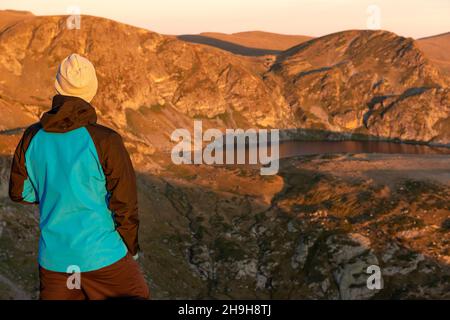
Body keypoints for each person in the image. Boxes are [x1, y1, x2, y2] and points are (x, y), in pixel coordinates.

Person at [8, 53, 150, 300]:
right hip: (103, 255)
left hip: (55, 262)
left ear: (57, 86)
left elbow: (19, 192)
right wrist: (129, 250)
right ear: (92, 89)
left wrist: (55, 192)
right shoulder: (105, 140)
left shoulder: (32, 137)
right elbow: (125, 202)